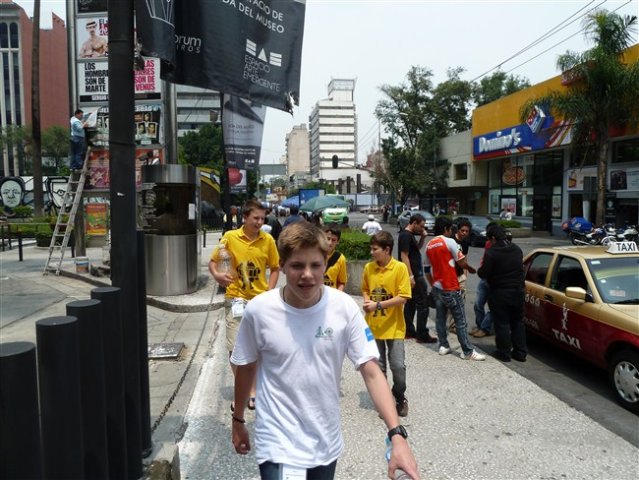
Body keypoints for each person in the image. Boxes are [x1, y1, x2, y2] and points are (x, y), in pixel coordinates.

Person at [230, 223, 419, 480]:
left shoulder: (344, 308)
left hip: (325, 443)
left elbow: (372, 371)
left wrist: (397, 435)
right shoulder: (259, 310)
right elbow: (246, 367)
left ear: (326, 264)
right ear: (282, 265)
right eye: (297, 266)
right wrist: (238, 420)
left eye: (315, 265)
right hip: (277, 443)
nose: (307, 274)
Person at [209, 199, 280, 412]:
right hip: (235, 299)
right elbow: (213, 262)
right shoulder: (230, 238)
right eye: (255, 218)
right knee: (234, 348)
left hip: (259, 302)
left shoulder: (268, 240)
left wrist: (269, 292)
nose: (259, 222)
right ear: (245, 217)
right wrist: (217, 276)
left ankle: (253, 387)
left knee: (257, 347)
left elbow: (275, 268)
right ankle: (248, 389)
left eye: (262, 218)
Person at [362, 231, 412, 417]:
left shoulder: (399, 268)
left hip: (395, 327)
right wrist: (367, 301)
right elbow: (365, 289)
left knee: (398, 366)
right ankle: (387, 402)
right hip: (374, 327)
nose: (372, 252)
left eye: (375, 249)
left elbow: (403, 297)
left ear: (387, 249)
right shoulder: (369, 268)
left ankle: (399, 396)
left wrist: (378, 305)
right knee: (379, 367)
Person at [425, 217, 486, 361]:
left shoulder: (429, 245)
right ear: (446, 229)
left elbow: (427, 269)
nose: (451, 231)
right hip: (451, 287)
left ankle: (444, 345)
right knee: (460, 320)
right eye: (450, 229)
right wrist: (470, 268)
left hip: (437, 288)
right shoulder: (450, 242)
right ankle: (467, 351)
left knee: (440, 319)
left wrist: (433, 284)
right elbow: (461, 262)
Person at [477, 224, 527, 362]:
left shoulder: (492, 252)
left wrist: (480, 271)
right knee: (518, 322)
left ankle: (504, 353)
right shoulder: (516, 249)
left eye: (489, 239)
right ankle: (520, 352)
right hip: (518, 291)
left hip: (500, 292)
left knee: (502, 323)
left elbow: (483, 273)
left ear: (493, 238)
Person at [398, 213, 437, 343]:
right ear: (414, 223)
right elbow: (404, 256)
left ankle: (409, 331)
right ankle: (422, 334)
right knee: (423, 304)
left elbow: (416, 249)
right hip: (415, 274)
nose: (422, 228)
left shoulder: (409, 235)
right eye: (421, 226)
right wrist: (411, 276)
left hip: (414, 274)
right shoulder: (405, 235)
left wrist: (422, 238)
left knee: (411, 303)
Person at [446, 217, 472, 333]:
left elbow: (465, 259)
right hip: (449, 275)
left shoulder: (465, 242)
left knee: (460, 301)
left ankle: (454, 326)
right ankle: (443, 324)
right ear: (458, 230)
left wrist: (465, 276)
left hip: (460, 275)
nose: (464, 233)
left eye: (467, 231)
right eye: (462, 230)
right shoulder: (451, 240)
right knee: (448, 301)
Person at [323, 223, 347, 291]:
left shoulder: (340, 258)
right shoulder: (314, 255)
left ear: (338, 241)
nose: (330, 243)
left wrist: (338, 295)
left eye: (333, 240)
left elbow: (341, 282)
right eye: (328, 238)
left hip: (332, 295)